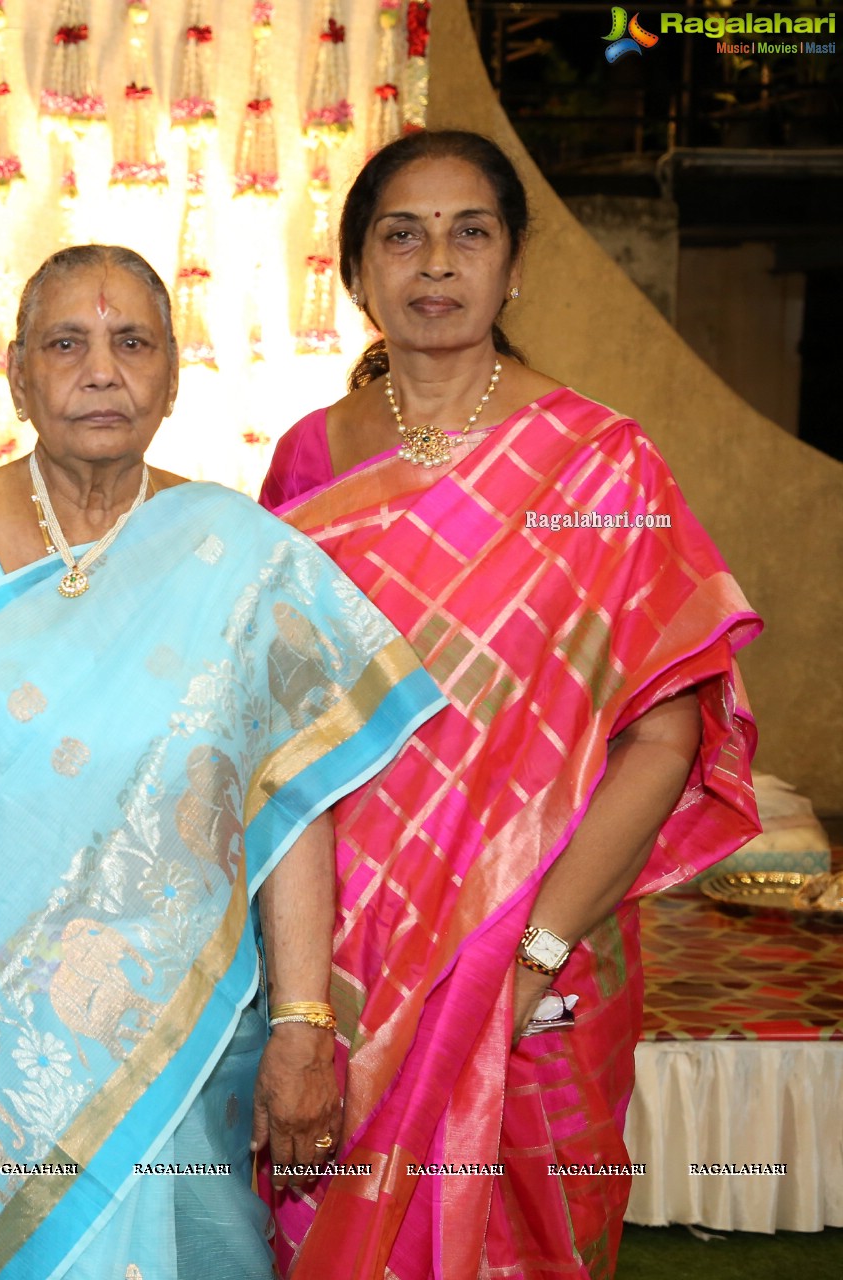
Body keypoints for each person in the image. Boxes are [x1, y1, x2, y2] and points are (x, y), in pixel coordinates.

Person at [0, 245, 447, 1278]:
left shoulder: (239, 555)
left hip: (178, 1051)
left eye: (132, 342)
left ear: (173, 374)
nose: (100, 370)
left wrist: (301, 1023)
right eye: (67, 344)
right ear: (17, 374)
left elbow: (293, 800)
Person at [259, 130, 762, 1279]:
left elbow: (665, 730)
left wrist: (529, 952)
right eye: (402, 234)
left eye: (468, 231)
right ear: (355, 272)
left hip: (549, 941)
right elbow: (278, 729)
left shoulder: (601, 464)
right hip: (341, 947)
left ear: (513, 263)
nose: (436, 261)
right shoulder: (307, 463)